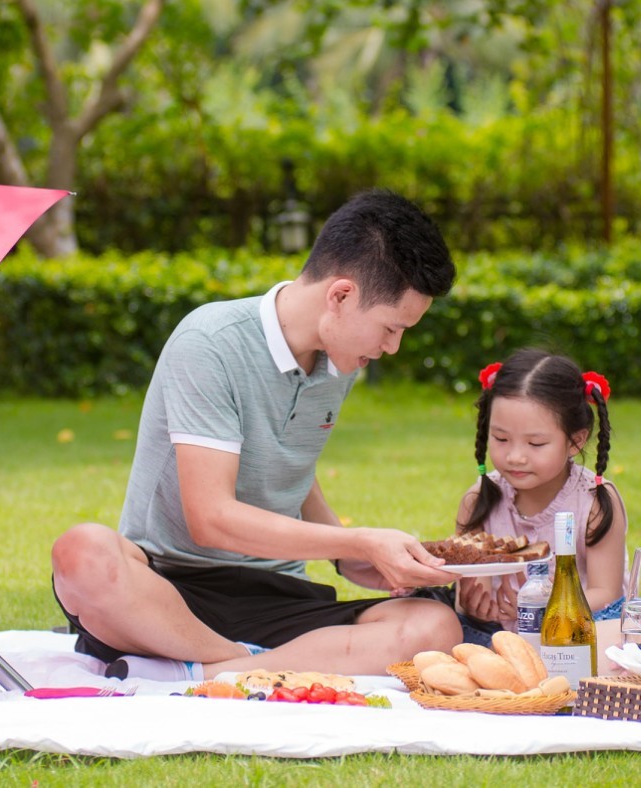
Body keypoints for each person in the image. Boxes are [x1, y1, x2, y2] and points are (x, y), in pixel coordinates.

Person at [50, 190, 463, 681]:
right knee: (83, 553)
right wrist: (360, 542)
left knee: (433, 625)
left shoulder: (343, 362)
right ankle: (245, 664)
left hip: (272, 594)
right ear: (341, 295)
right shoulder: (210, 343)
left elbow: (289, 463)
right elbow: (211, 519)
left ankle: (202, 670)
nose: (392, 348)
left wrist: (348, 556)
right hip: (168, 586)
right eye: (391, 328)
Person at [421, 349, 628, 649]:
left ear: (576, 441)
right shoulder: (480, 499)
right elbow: (470, 588)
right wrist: (476, 605)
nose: (515, 456)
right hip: (498, 635)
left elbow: (605, 592)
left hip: (577, 633)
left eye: (536, 443)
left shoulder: (594, 501)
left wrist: (542, 608)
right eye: (501, 439)